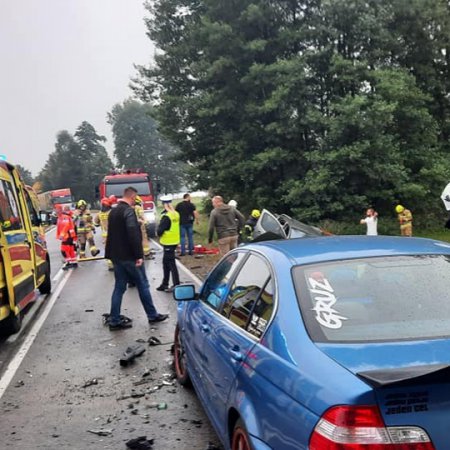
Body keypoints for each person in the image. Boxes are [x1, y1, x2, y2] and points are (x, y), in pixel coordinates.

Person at [105, 186, 168, 330]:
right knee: (143, 284)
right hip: (129, 256)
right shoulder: (128, 211)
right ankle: (152, 315)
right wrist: (139, 255)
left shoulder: (113, 211)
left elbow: (114, 233)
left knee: (119, 287)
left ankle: (114, 320)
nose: (135, 202)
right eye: (135, 199)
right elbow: (132, 233)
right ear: (132, 197)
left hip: (116, 256)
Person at [156, 194, 181, 292]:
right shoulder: (176, 213)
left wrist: (158, 232)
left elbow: (160, 230)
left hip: (168, 242)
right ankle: (164, 283)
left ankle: (176, 284)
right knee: (166, 263)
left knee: (171, 263)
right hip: (174, 241)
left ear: (163, 204)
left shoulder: (166, 216)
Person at [94, 197, 113, 270]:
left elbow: (95, 223)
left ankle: (110, 265)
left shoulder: (99, 214)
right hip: (114, 234)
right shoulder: (112, 212)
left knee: (108, 250)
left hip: (105, 235)